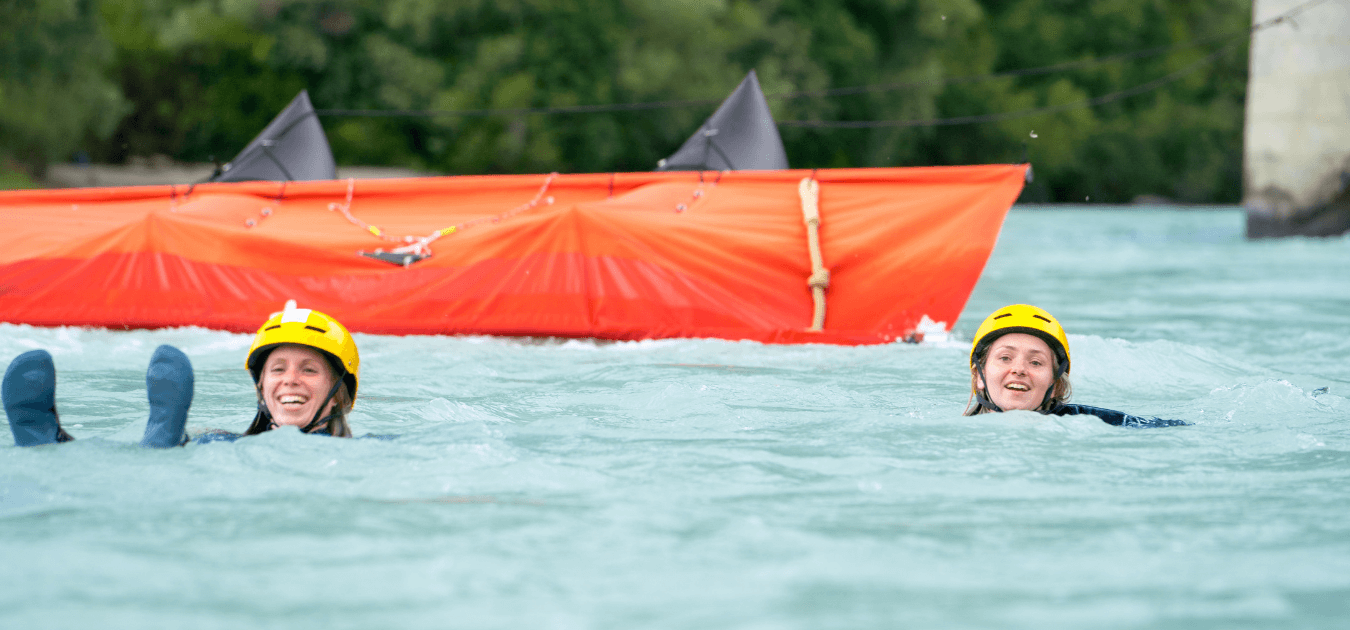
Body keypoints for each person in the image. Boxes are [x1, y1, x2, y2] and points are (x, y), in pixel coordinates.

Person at [4, 302, 360, 447]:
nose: (290, 379)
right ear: (261, 389)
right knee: (169, 453)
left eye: (309, 369)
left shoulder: (364, 452)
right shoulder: (219, 444)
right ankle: (54, 445)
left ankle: (161, 445)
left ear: (339, 392)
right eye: (277, 369)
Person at [964, 304, 1187, 428]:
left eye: (1036, 362)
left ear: (1057, 385)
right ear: (979, 377)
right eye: (1005, 358)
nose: (1019, 369)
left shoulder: (1101, 425)